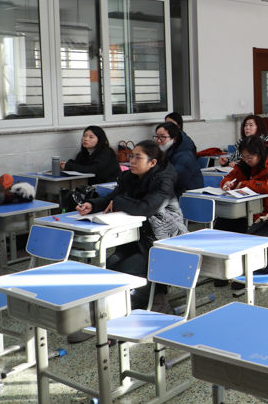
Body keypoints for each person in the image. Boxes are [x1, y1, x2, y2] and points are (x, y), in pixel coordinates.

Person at [77, 140, 188, 317]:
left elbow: (146, 208)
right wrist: (92, 205)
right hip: (136, 238)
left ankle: (158, 300)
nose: (132, 161)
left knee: (127, 268)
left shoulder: (164, 181)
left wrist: (118, 201)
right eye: (131, 157)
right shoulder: (130, 177)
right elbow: (111, 198)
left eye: (138, 157)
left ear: (152, 162)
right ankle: (119, 304)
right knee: (110, 265)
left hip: (161, 241)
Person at [221, 135, 268, 221]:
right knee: (225, 220)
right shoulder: (245, 164)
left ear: (260, 153)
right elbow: (231, 176)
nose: (246, 161)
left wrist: (245, 184)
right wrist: (228, 183)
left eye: (249, 158)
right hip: (252, 209)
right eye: (243, 157)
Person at [154, 122, 204, 196]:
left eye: (163, 137)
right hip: (172, 193)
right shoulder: (164, 153)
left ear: (174, 139)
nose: (158, 140)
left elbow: (176, 180)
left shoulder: (185, 156)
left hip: (188, 196)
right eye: (157, 137)